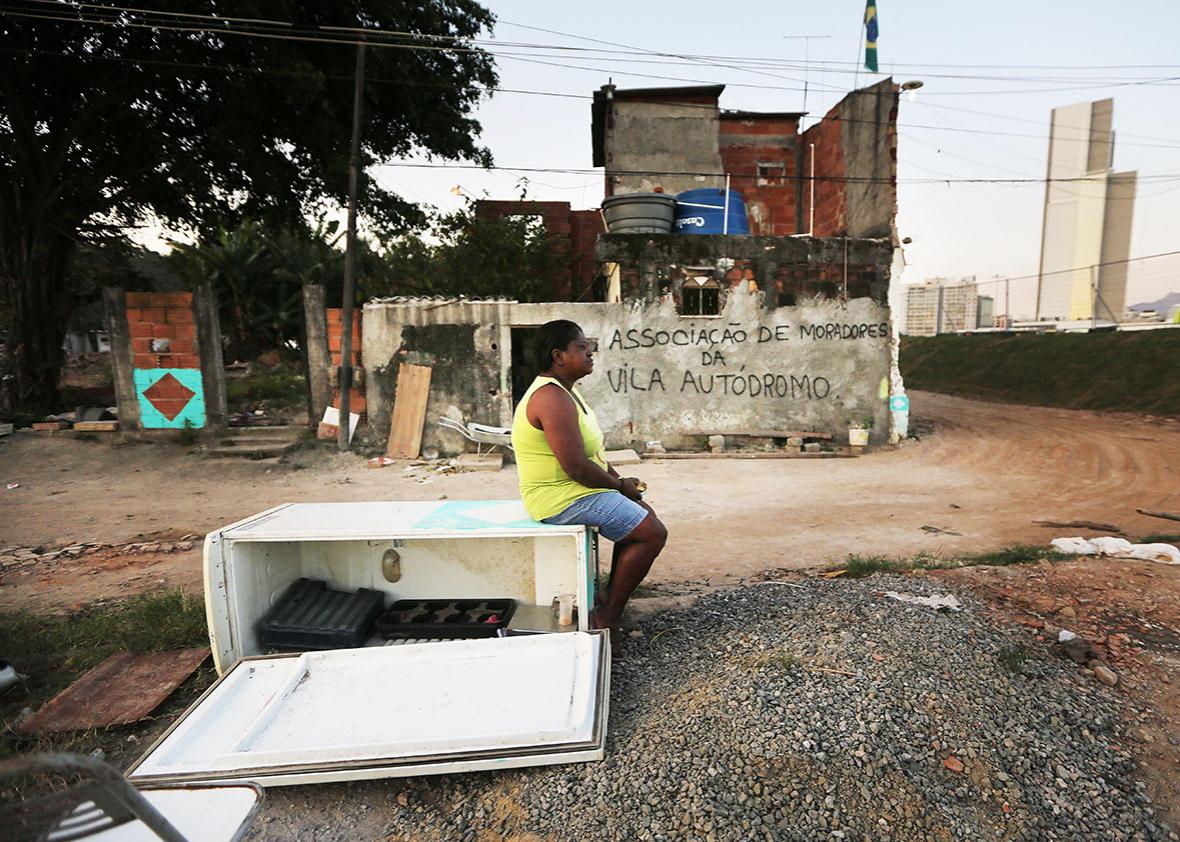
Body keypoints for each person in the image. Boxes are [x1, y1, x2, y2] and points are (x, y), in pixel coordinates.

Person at [511, 319, 668, 655]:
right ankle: (607, 617)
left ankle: (607, 598)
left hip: (574, 488)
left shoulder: (567, 392)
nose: (589, 352)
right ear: (558, 356)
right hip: (558, 496)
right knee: (652, 532)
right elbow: (576, 466)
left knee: (642, 519)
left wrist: (621, 485)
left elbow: (591, 455)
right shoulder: (550, 398)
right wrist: (618, 485)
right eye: (581, 347)